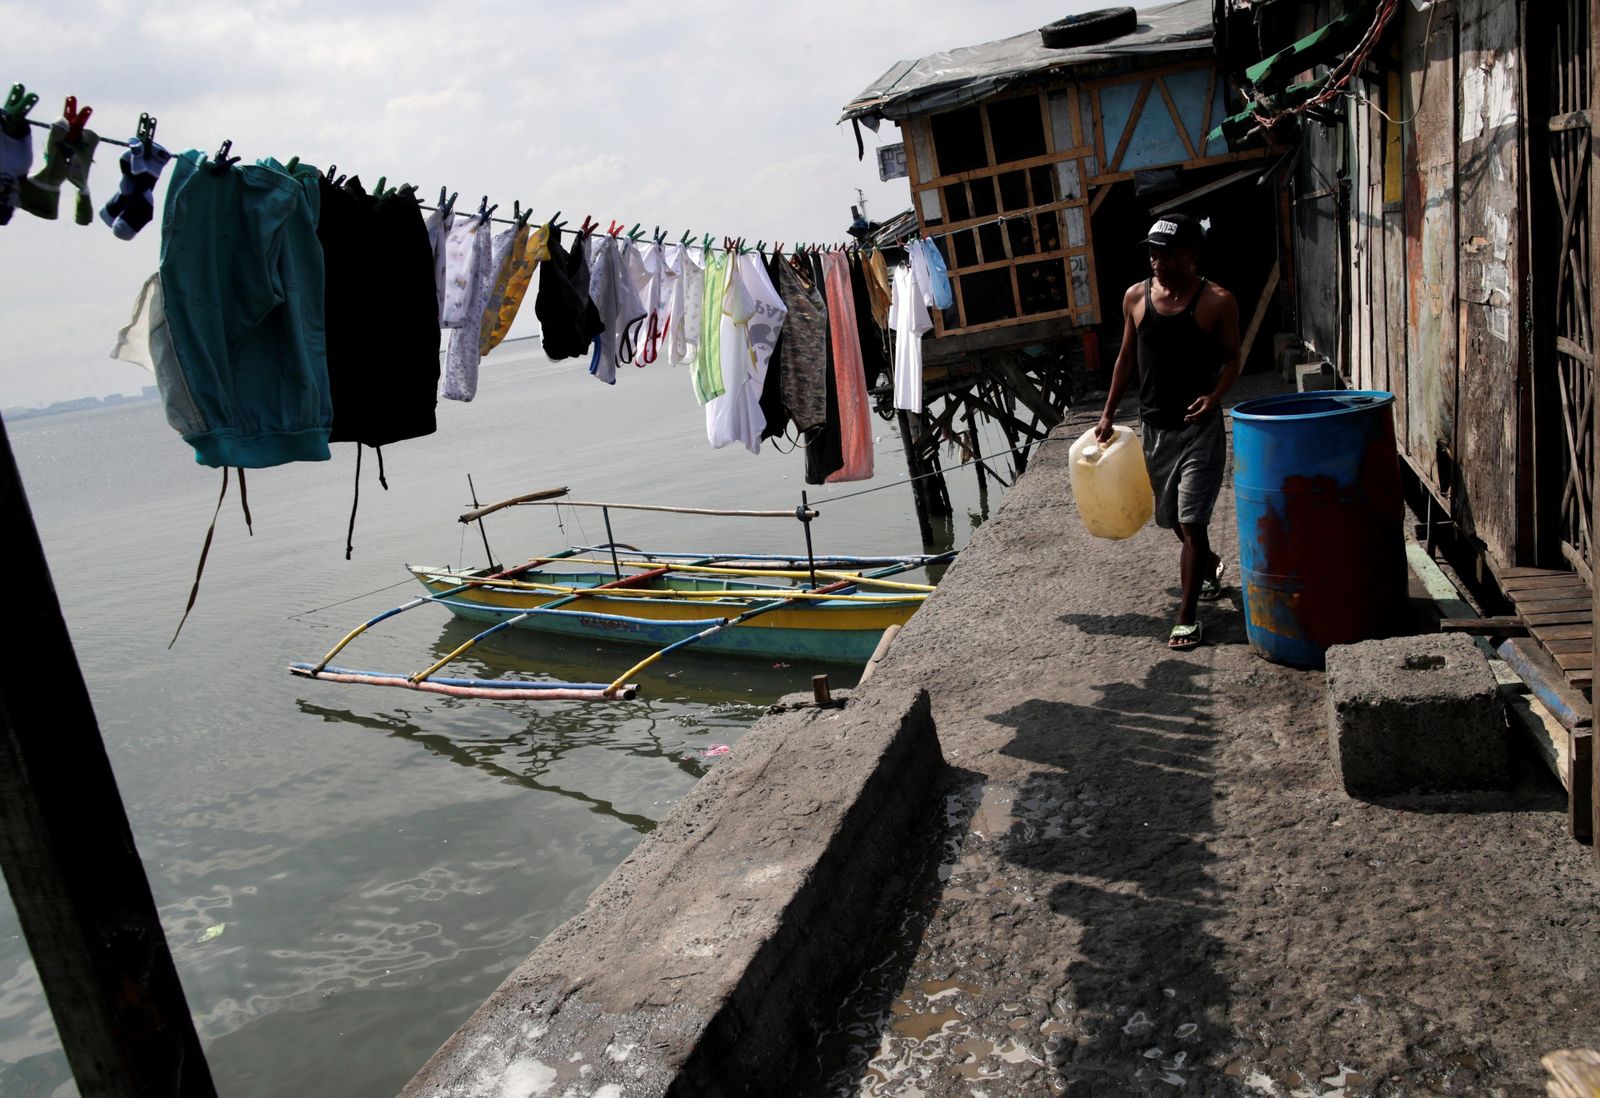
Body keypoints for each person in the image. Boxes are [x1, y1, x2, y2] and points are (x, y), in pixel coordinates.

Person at [1095, 213, 1242, 650]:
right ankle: (1210, 566)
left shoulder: (1217, 301)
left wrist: (1214, 398)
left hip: (1199, 428)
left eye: (1168, 253)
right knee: (1174, 522)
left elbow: (1234, 359)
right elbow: (1125, 360)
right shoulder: (1136, 297)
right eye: (1153, 252)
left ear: (1192, 254)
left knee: (1190, 522)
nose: (1157, 261)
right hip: (1154, 429)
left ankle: (1187, 616)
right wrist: (1106, 414)